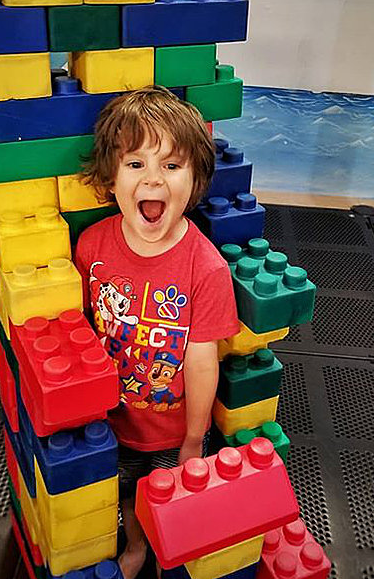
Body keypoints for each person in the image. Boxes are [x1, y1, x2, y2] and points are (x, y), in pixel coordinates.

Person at [74, 86, 239, 579]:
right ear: (111, 177)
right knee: (125, 495)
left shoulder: (205, 268)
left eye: (171, 165)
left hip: (171, 431)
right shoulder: (91, 246)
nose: (153, 178)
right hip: (111, 422)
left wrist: (194, 437)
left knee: (168, 501)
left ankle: (165, 553)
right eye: (135, 163)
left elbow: (201, 360)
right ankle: (136, 546)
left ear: (196, 180)